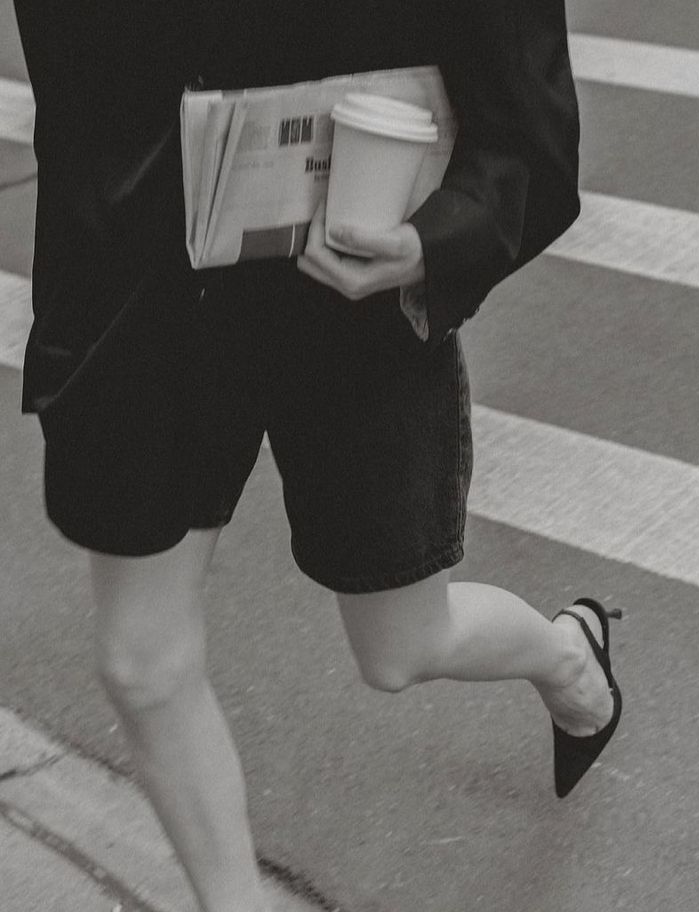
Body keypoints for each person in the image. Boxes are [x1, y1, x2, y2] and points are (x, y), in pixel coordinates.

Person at [13, 1, 622, 911]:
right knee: (143, 662)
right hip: (141, 283)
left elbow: (529, 136)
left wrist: (431, 243)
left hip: (359, 300)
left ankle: (570, 657)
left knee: (401, 648)